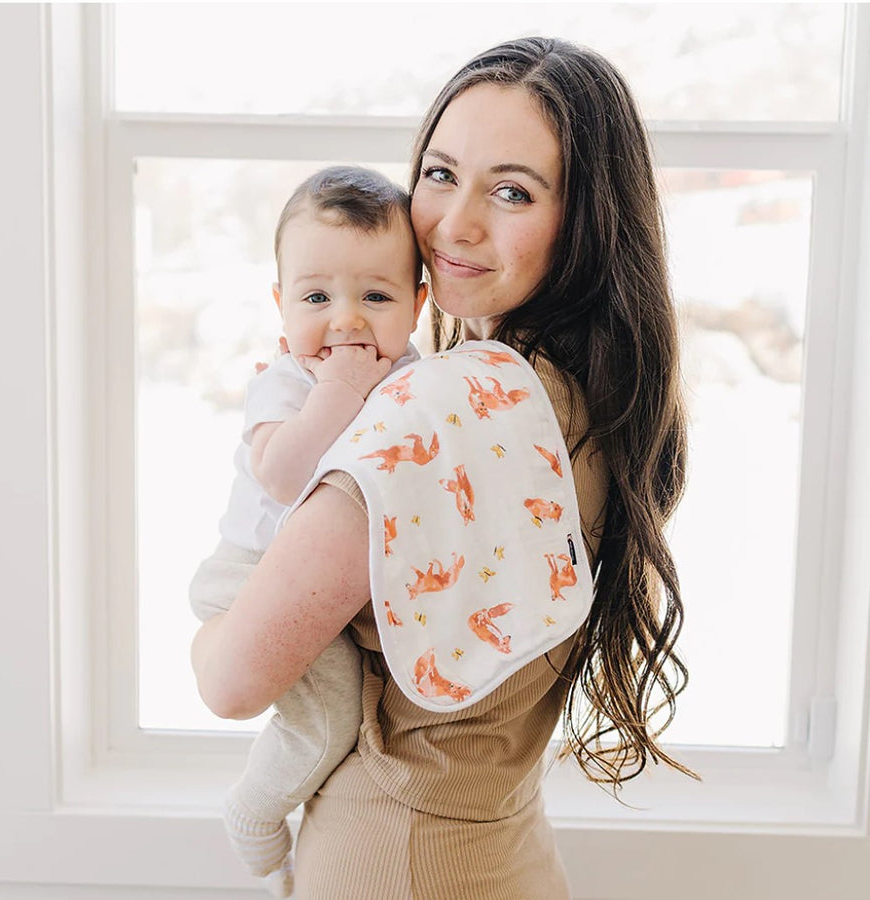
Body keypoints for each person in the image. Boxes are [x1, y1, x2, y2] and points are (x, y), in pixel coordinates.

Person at [192, 37, 694, 899]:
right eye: (438, 173)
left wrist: (208, 631)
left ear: (586, 218)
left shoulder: (438, 410)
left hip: (391, 854)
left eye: (511, 191)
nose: (453, 224)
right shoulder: (584, 399)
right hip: (503, 845)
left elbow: (232, 681)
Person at [188, 165, 427, 896]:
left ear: (418, 304)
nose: (347, 321)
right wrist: (337, 393)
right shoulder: (289, 379)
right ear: (281, 302)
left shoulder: (410, 375)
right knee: (325, 723)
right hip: (250, 574)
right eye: (317, 296)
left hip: (312, 588)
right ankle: (255, 814)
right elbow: (285, 474)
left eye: (376, 296)